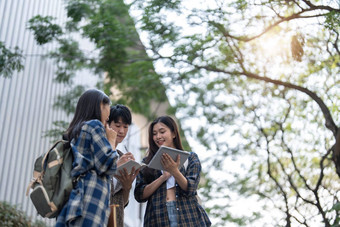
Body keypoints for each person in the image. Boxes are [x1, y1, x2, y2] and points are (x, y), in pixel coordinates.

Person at [56, 89, 126, 226]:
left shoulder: (76, 130)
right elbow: (109, 165)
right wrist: (111, 141)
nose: (107, 119)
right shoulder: (94, 125)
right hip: (90, 201)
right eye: (107, 117)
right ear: (100, 105)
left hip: (76, 200)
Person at [134, 116, 211, 227]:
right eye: (154, 134)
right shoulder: (147, 162)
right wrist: (163, 177)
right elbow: (139, 195)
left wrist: (174, 171)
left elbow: (191, 188)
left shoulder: (190, 158)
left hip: (189, 217)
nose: (158, 137)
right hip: (157, 218)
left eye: (162, 132)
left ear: (174, 134)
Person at [107, 104, 139, 226]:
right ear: (107, 124)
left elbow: (122, 202)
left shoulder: (122, 157)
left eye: (125, 127)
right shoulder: (99, 151)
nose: (122, 131)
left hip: (116, 220)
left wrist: (127, 187)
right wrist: (114, 166)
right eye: (117, 125)